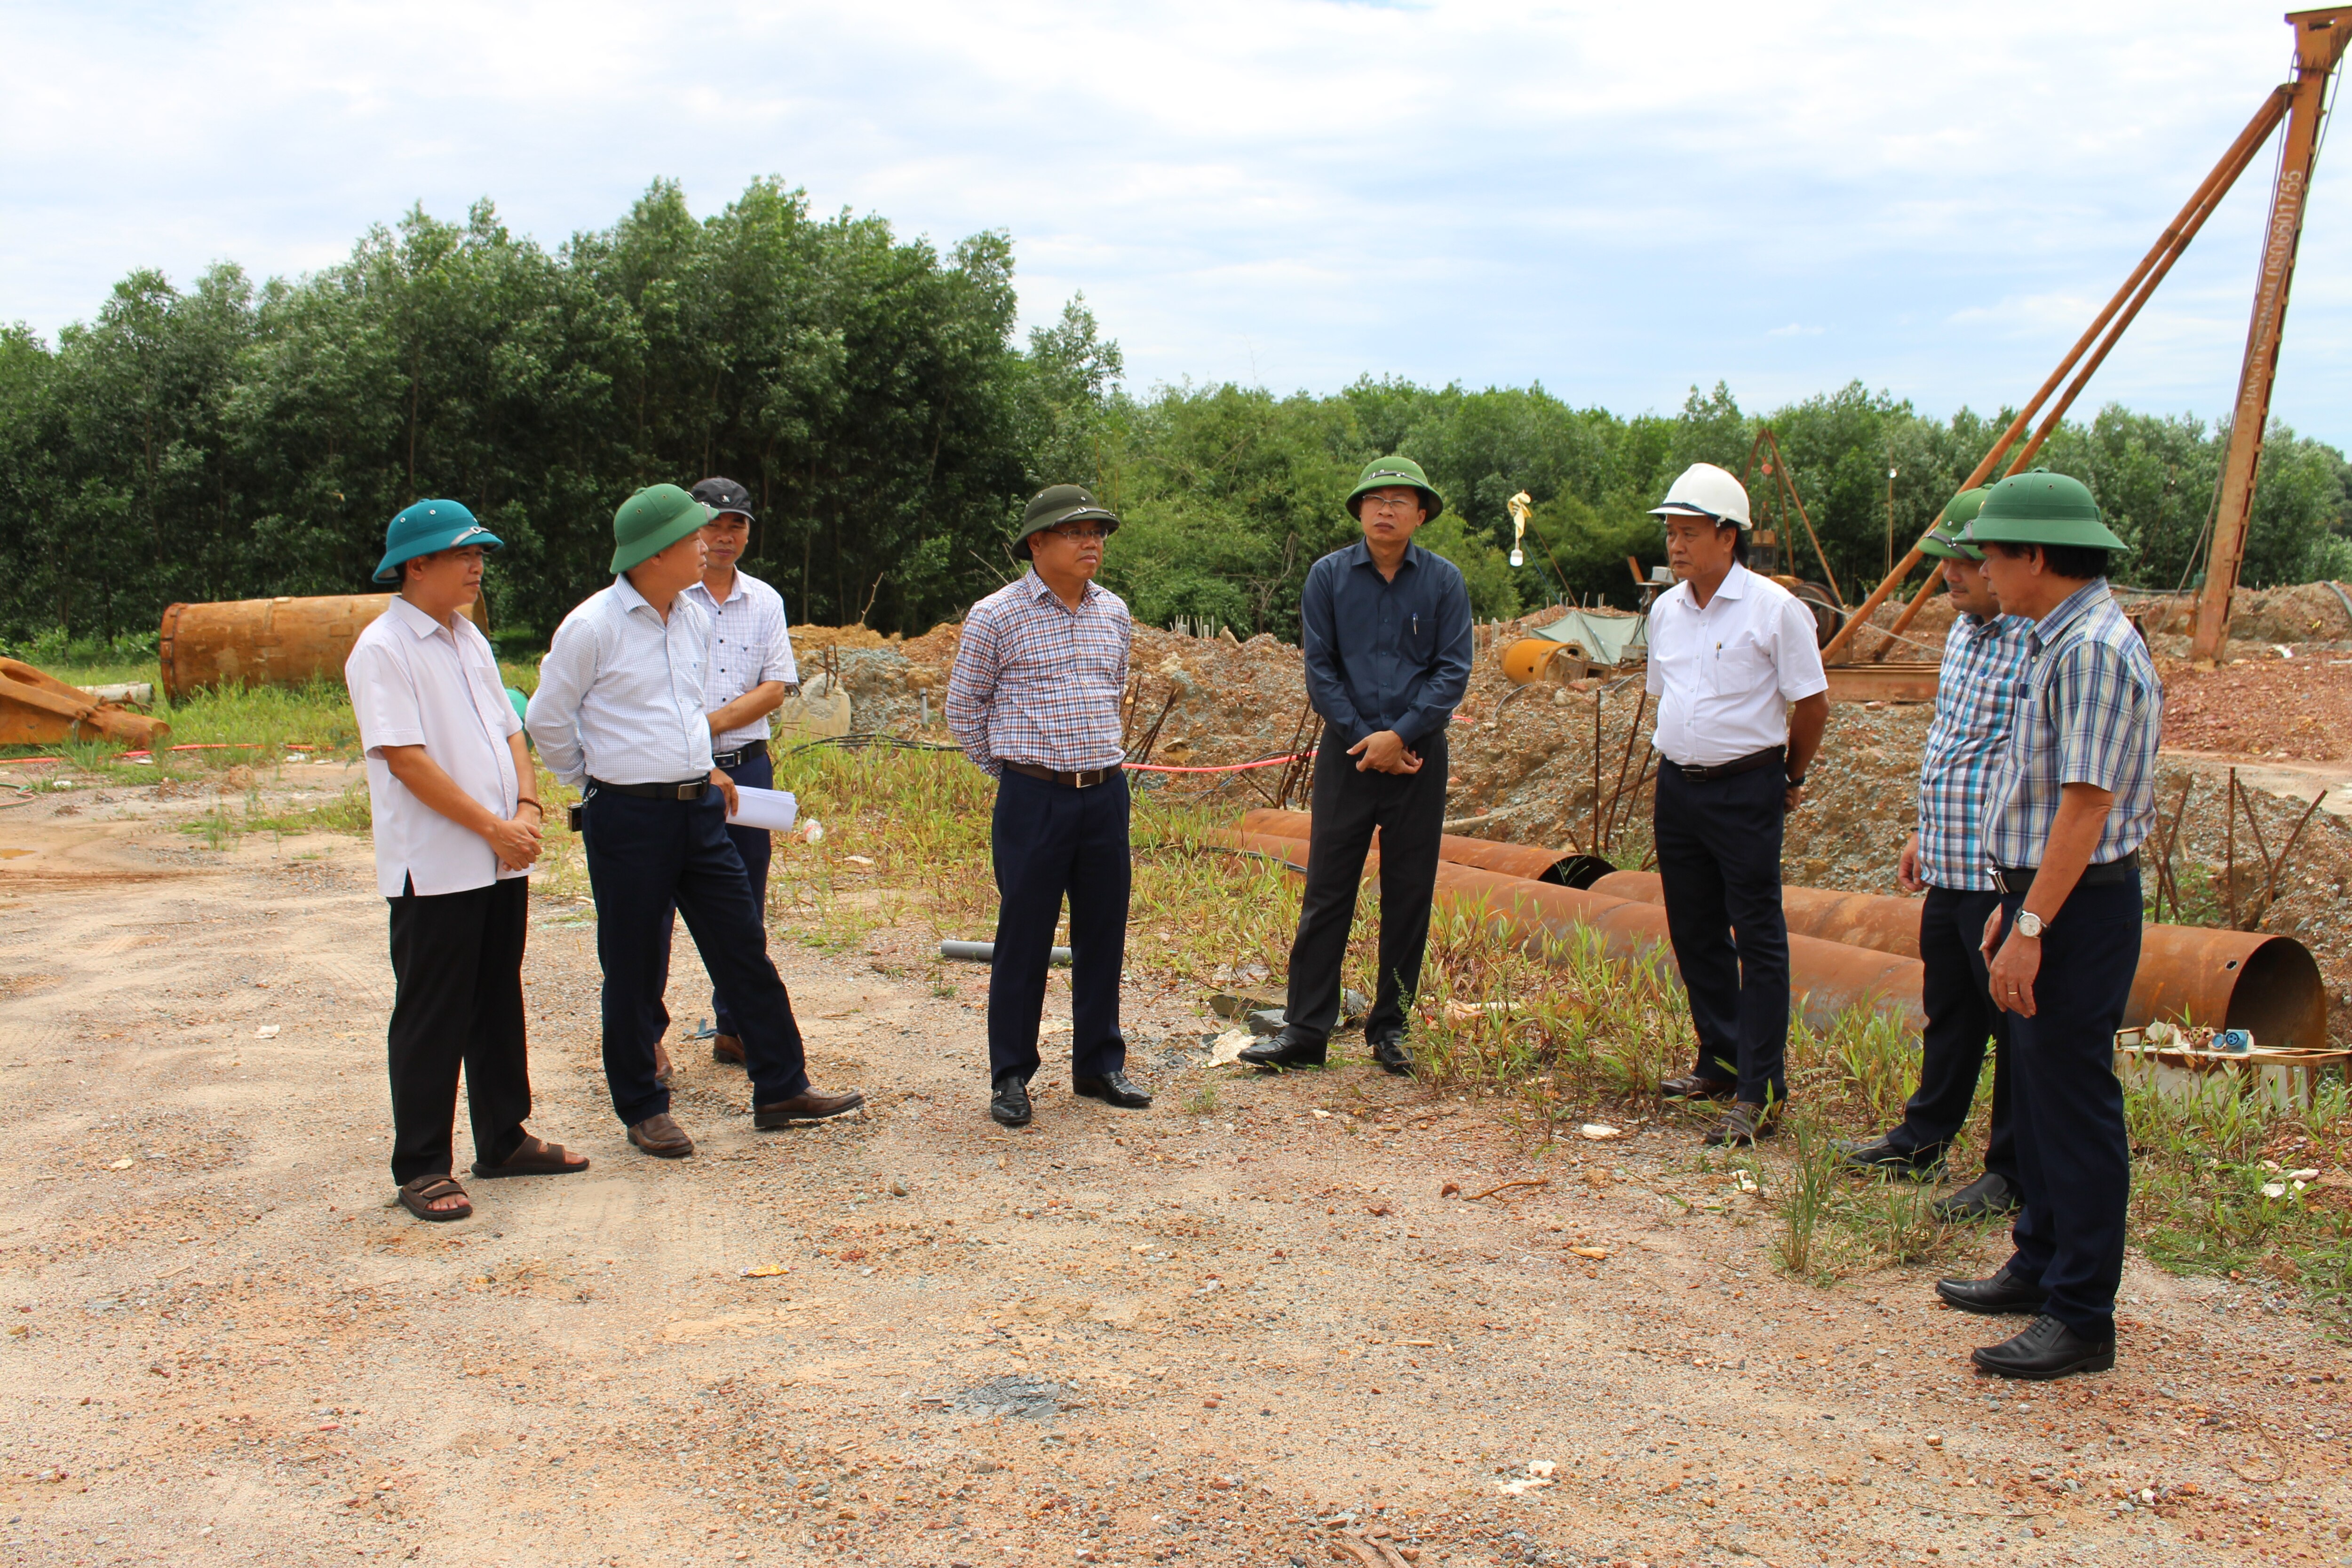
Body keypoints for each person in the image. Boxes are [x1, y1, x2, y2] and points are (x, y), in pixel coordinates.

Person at [526, 484, 863, 1158]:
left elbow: (682, 707)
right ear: (655, 553)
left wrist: (700, 763)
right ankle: (643, 1106)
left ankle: (781, 1085)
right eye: (692, 538)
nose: (706, 544)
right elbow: (546, 720)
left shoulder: (689, 616)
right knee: (633, 962)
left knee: (743, 945)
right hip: (628, 817)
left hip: (699, 806)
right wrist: (596, 782)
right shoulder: (592, 626)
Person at [1937, 470, 2157, 1382]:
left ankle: (2080, 1312)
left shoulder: (2092, 650)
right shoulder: (2058, 637)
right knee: (2035, 1087)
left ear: (2035, 555)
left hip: (2078, 898)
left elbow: (2086, 806)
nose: (1980, 566)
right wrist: (2011, 899)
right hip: (2042, 889)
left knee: (2072, 1102)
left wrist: (2030, 921)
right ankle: (2036, 1262)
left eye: (1991, 550)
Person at [345, 499, 588, 1223]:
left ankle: (503, 1137)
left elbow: (511, 728)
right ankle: (421, 1163)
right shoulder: (383, 648)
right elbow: (406, 762)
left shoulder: (468, 638)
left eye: (480, 553)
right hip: (439, 863)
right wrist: (491, 825)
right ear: (415, 565)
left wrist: (529, 809)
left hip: (498, 854)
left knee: (495, 997)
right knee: (432, 1010)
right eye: (462, 554)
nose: (477, 566)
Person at [1241, 456, 1473, 1077]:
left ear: (1421, 513)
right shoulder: (1328, 577)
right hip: (1347, 754)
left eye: (1401, 500)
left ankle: (1390, 1027)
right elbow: (1321, 670)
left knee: (1409, 894)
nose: (1387, 509)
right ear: (1360, 511)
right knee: (1327, 891)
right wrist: (1368, 741)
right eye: (1376, 499)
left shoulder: (1445, 583)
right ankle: (1306, 1028)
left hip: (1419, 756)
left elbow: (1453, 672)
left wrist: (1399, 737)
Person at [1836, 493, 2031, 1220]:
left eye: (1963, 559)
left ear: (2005, 559)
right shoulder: (1963, 635)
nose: (1948, 572)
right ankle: (1923, 1138)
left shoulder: (2032, 640)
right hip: (1951, 859)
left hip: (1999, 870)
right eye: (1945, 557)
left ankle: (2010, 1169)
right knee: (1950, 1010)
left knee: (2012, 1025)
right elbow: (1954, 742)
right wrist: (1925, 827)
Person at [945, 484, 1152, 1128]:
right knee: (1024, 937)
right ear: (1037, 543)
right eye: (1076, 532)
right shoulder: (995, 615)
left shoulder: (1113, 612)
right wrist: (1013, 772)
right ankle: (1010, 1073)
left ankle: (1098, 1063)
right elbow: (964, 708)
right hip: (1033, 796)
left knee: (1103, 932)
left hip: (1104, 793)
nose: (1092, 542)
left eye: (1098, 532)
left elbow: (1111, 690)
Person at [1643, 462, 1830, 1146]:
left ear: (1729, 536)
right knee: (1693, 928)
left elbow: (1811, 705)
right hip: (1678, 787)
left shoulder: (1775, 610)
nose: (1677, 546)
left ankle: (1761, 1086)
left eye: (1690, 532)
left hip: (1746, 785)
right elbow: (1665, 695)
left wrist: (1791, 775)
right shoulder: (1666, 610)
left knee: (1758, 935)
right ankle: (1718, 1060)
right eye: (1672, 533)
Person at [643, 476, 801, 1083]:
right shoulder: (664, 597)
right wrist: (687, 743)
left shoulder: (763, 600)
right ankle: (647, 1041)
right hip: (667, 776)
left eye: (736, 526)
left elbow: (773, 685)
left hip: (744, 768)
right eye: (712, 525)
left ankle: (735, 1028)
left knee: (742, 906)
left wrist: (703, 728)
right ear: (688, 530)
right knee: (653, 912)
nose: (724, 537)